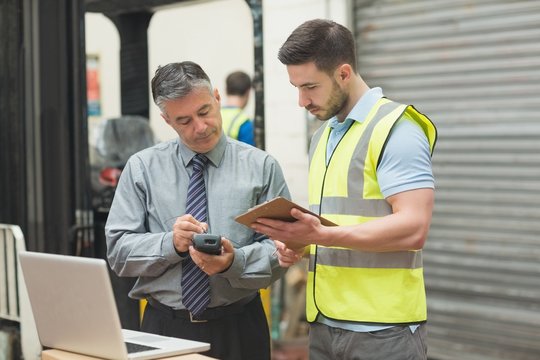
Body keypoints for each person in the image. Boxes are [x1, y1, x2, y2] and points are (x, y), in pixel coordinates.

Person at [250, 19, 437, 360]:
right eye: (296, 88)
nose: (301, 101)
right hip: (324, 325)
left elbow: (414, 228)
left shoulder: (397, 129)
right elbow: (336, 224)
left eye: (310, 87)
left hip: (384, 331)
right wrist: (299, 243)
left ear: (344, 73)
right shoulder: (323, 136)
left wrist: (320, 236)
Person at [105, 61, 290, 360]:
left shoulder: (261, 167)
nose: (200, 127)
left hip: (240, 328)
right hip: (163, 330)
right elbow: (118, 252)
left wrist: (235, 261)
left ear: (217, 97)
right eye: (184, 120)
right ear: (167, 121)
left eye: (204, 111)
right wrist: (170, 244)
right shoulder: (142, 169)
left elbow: (283, 247)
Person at [220, 71, 255, 145]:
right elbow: (249, 154)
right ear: (248, 92)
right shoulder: (245, 122)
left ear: (226, 90)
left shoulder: (214, 114)